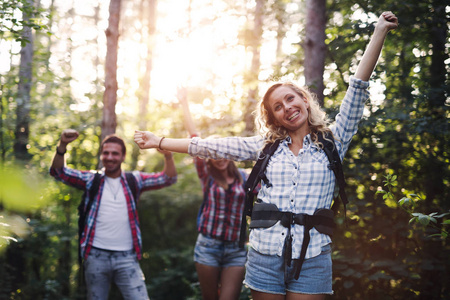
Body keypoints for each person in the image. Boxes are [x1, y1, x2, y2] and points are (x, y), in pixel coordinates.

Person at [134, 12, 398, 300]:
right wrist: (159, 141)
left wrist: (380, 31)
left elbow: (357, 87)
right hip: (264, 254)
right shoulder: (266, 147)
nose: (287, 107)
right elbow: (212, 146)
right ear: (274, 118)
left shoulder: (334, 140)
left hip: (313, 257)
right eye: (277, 106)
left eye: (290, 98)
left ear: (304, 100)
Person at [50, 129, 177, 300]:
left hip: (127, 258)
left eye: (115, 153)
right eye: (106, 153)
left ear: (123, 157)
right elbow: (58, 172)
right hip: (96, 257)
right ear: (101, 155)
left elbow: (168, 179)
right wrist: (62, 145)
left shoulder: (134, 180)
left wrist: (168, 156)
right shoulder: (91, 180)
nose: (110, 157)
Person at [178, 89, 248, 300]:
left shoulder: (245, 177)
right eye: (214, 154)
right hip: (208, 246)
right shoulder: (206, 176)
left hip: (236, 249)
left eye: (223, 152)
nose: (220, 157)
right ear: (208, 158)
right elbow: (195, 140)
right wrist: (184, 104)